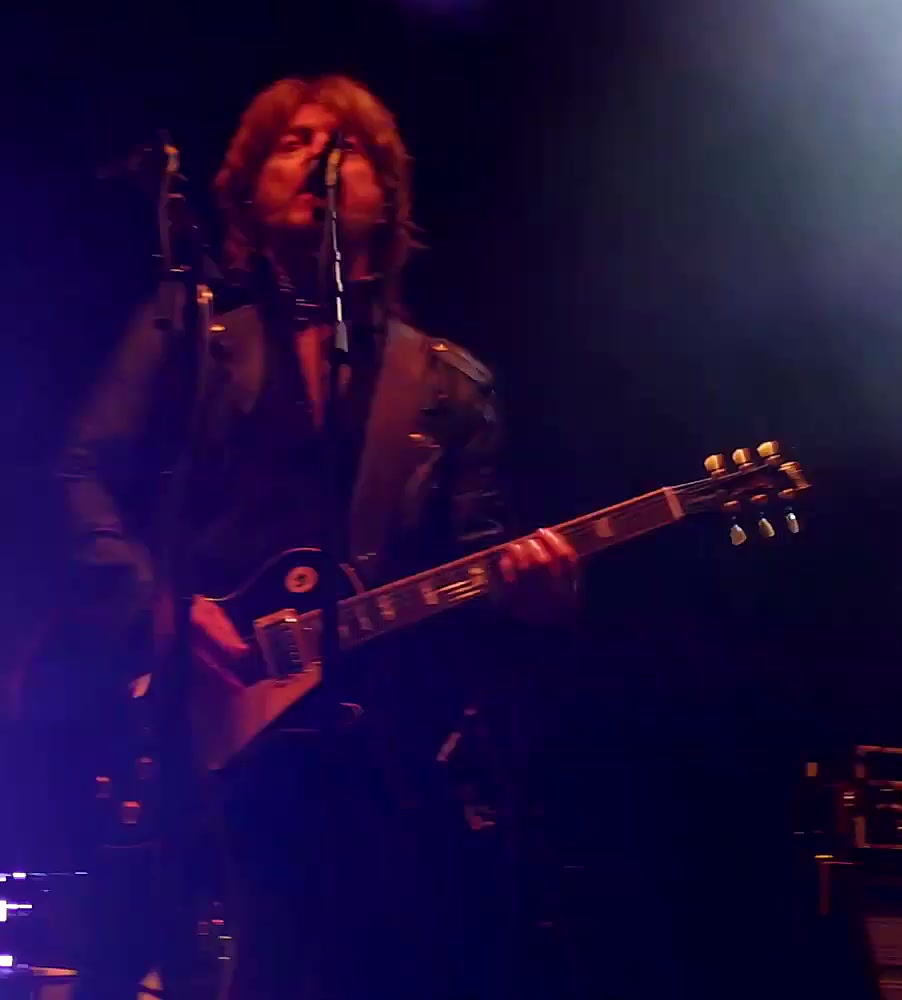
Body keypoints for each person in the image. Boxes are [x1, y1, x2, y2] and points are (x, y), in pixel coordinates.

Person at [53, 75, 578, 1000]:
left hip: (377, 770)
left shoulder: (447, 384)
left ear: (388, 197)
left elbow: (474, 578)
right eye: (291, 142)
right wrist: (159, 605)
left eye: (348, 146)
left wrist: (533, 598)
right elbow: (77, 472)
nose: (319, 157)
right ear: (248, 193)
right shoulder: (192, 335)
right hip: (201, 739)